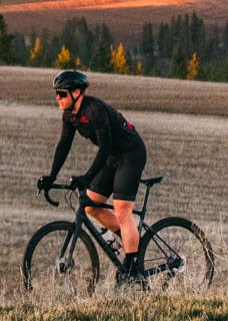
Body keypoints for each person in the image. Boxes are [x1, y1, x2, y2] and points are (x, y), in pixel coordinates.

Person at [36, 69, 148, 286]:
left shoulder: (94, 110)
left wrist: (87, 177)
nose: (57, 98)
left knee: (123, 211)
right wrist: (51, 176)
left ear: (77, 92)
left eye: (61, 93)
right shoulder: (69, 115)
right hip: (113, 157)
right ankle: (127, 240)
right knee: (91, 206)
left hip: (130, 154)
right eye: (56, 94)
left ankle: (134, 269)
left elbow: (105, 147)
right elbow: (63, 145)